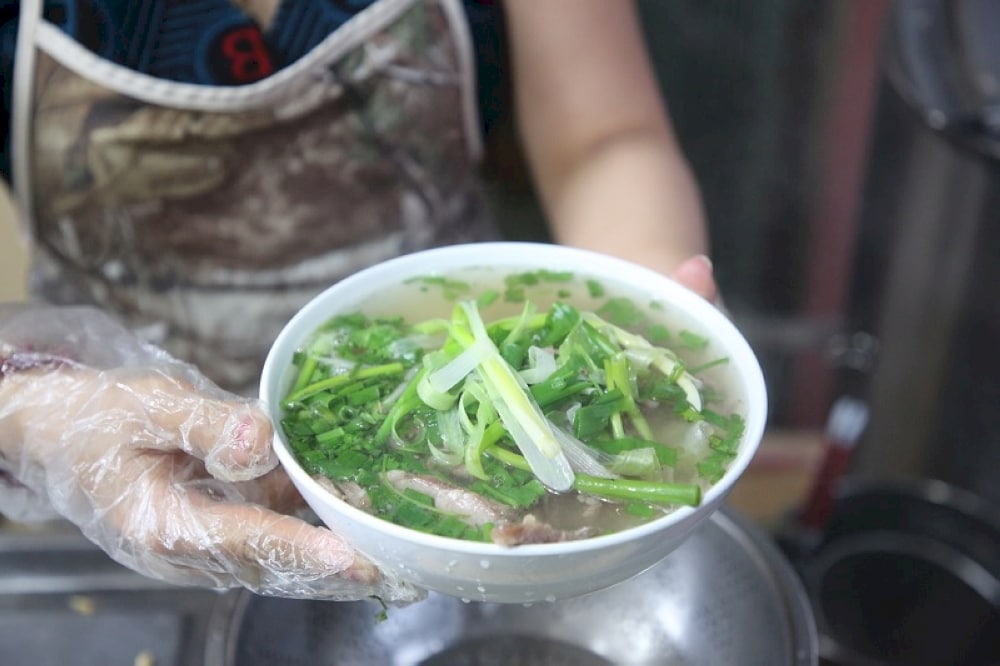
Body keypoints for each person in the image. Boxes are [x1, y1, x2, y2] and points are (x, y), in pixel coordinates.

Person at [0, 0, 716, 604]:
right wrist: (34, 413)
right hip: (113, 490)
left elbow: (605, 139)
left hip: (473, 466)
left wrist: (632, 319)